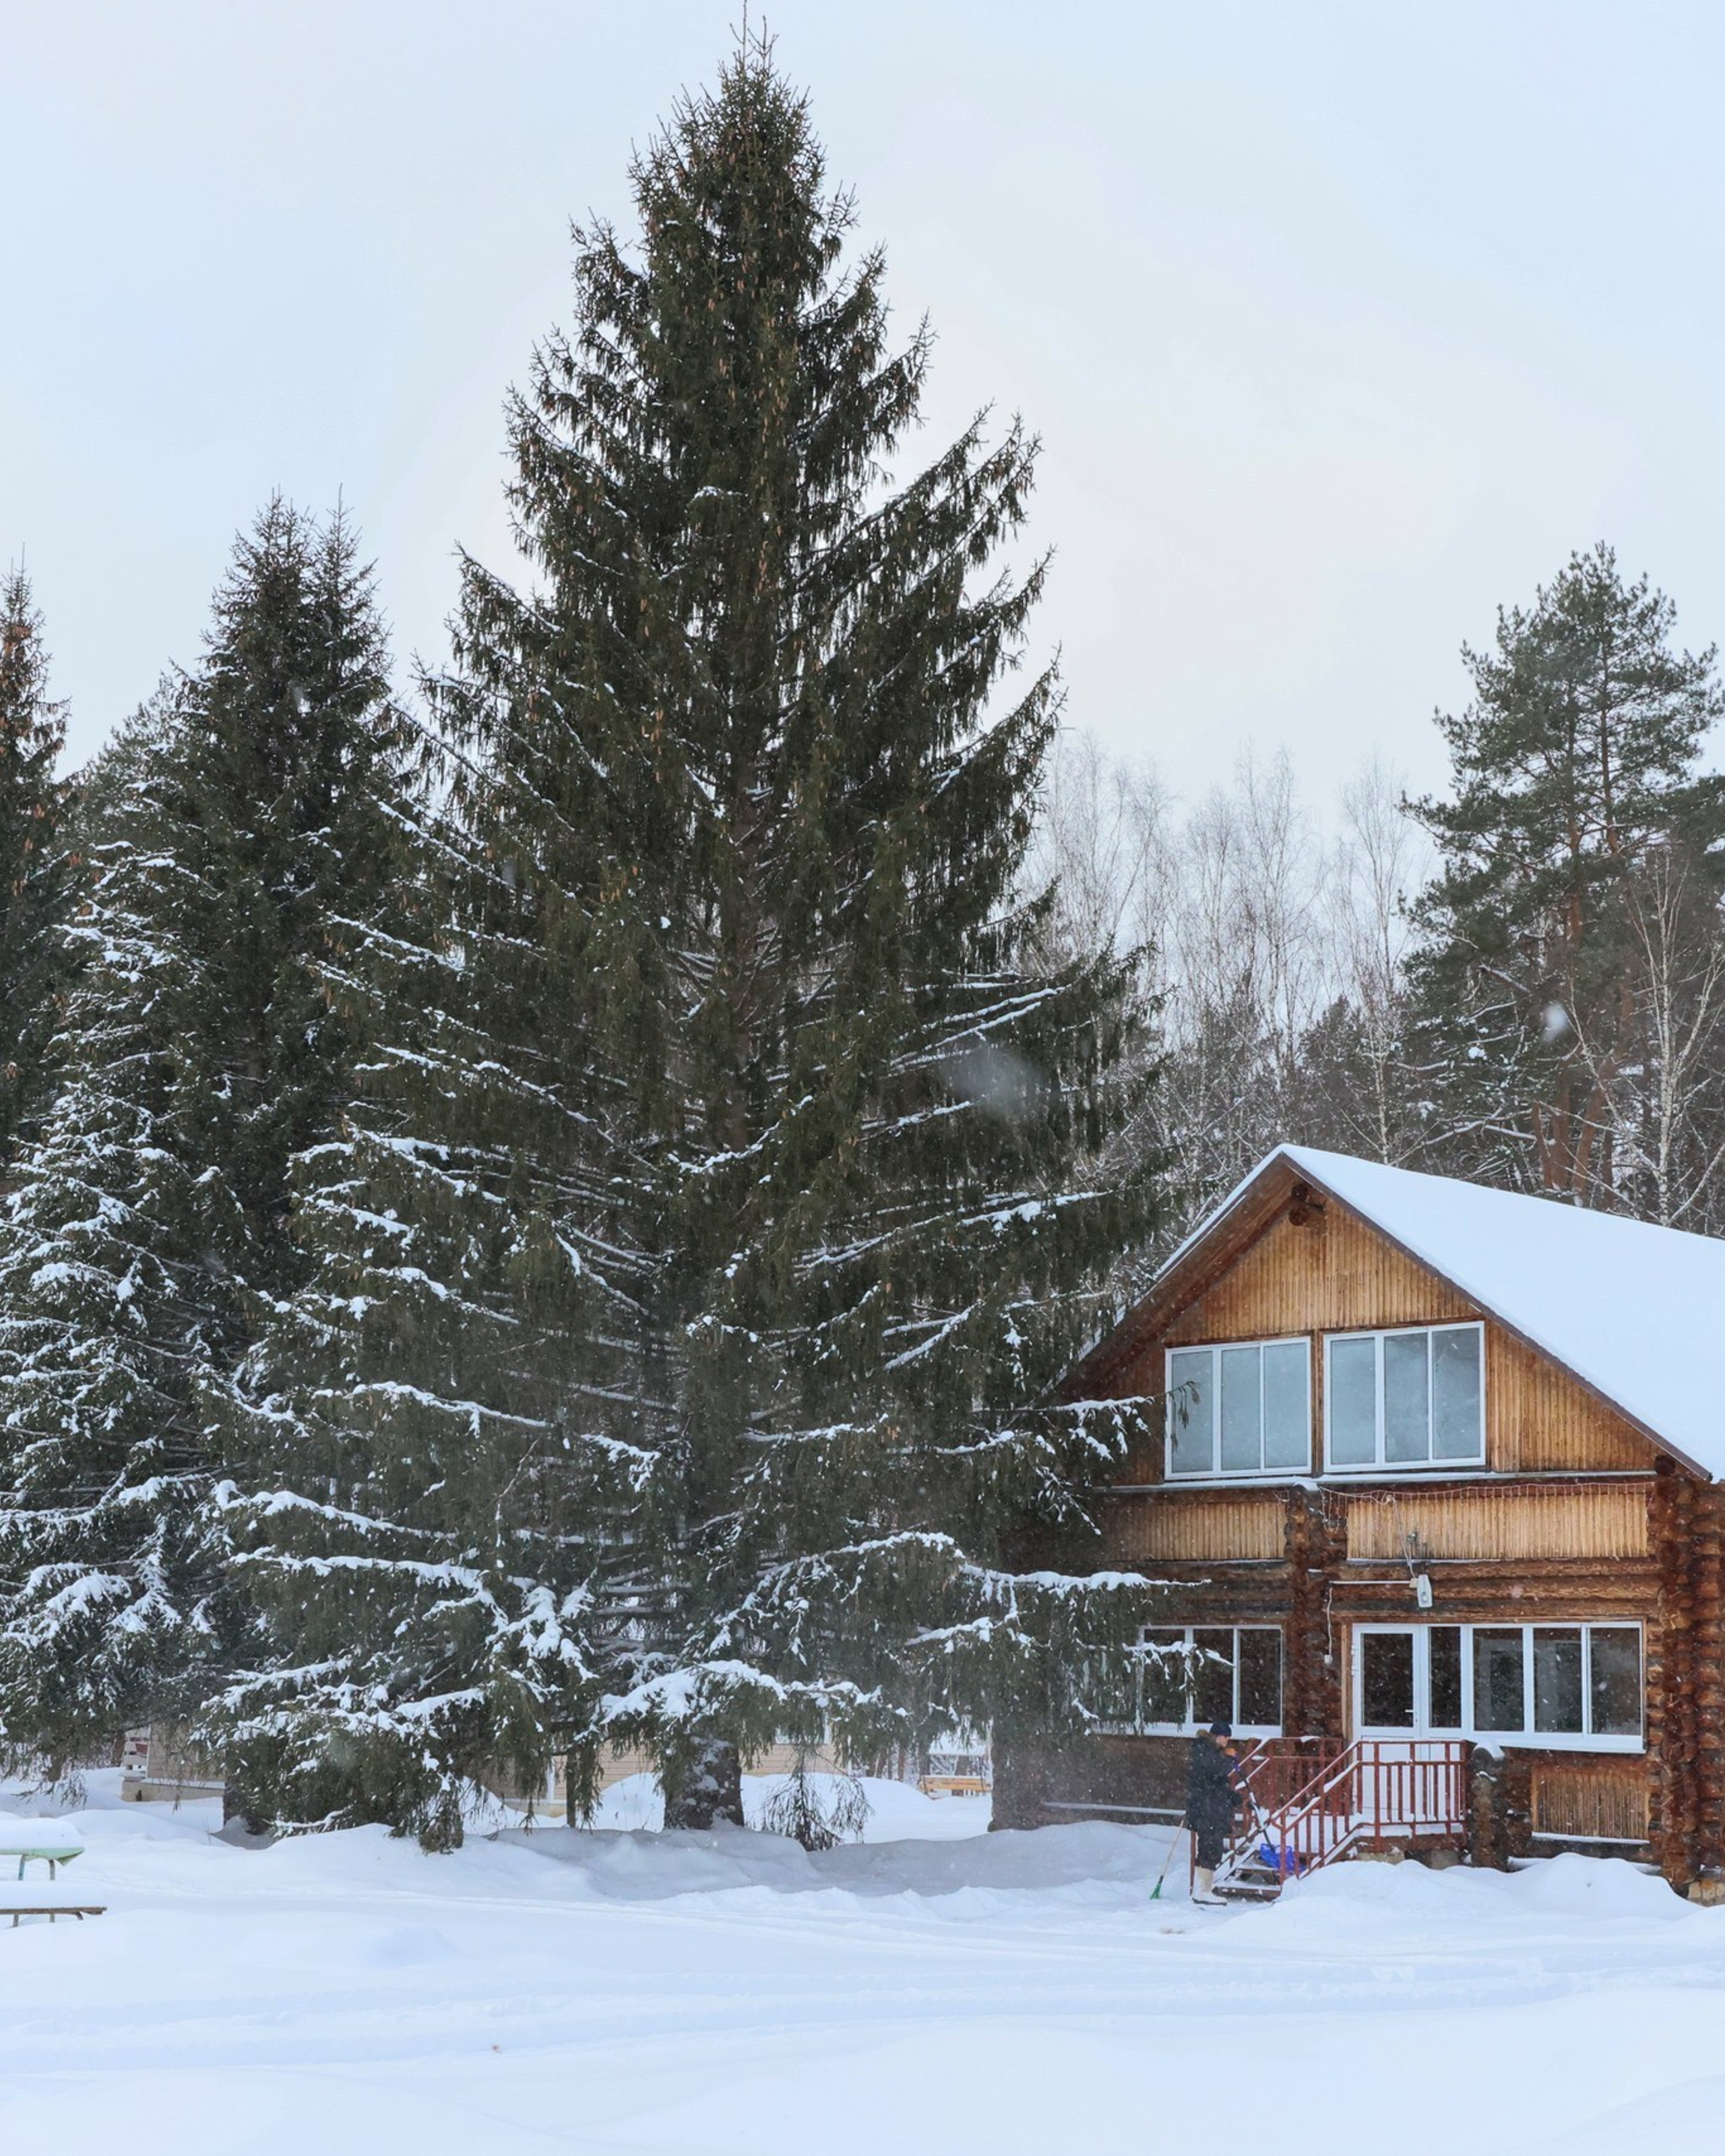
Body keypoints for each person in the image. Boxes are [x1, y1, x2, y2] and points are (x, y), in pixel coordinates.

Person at [1186, 1719, 1239, 1907]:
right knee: (1210, 1847)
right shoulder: (1205, 1751)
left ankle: (1203, 1889)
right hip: (1206, 1810)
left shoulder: (1210, 1752)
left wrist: (1232, 1797)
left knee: (1212, 1847)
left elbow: (1216, 1782)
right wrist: (1230, 1760)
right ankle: (1203, 1891)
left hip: (1210, 1808)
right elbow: (1216, 1771)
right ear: (1218, 1736)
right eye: (1226, 1737)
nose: (1227, 1741)